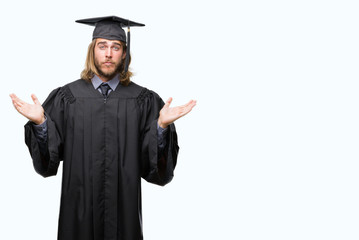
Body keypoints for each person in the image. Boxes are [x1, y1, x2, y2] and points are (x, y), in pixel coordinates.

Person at [10, 16, 196, 240]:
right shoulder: (67, 98)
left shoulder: (143, 100)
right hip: (77, 214)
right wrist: (41, 124)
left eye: (115, 47)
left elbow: (157, 170)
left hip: (124, 215)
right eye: (102, 46)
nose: (108, 54)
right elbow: (47, 164)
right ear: (92, 51)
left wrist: (161, 127)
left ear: (124, 53)